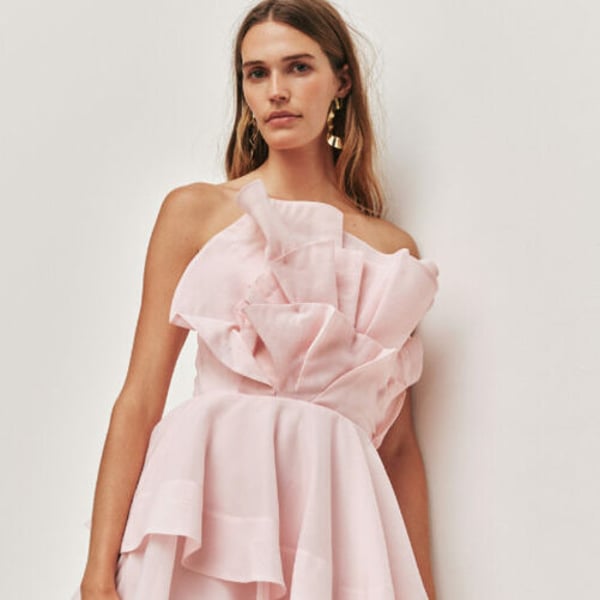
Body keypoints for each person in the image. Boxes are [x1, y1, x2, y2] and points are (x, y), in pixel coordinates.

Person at [76, 0, 439, 598]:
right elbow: (140, 398)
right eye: (256, 73)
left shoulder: (390, 251)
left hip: (331, 522)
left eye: (298, 67)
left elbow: (398, 449)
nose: (276, 91)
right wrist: (96, 575)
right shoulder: (196, 213)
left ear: (342, 81)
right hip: (209, 507)